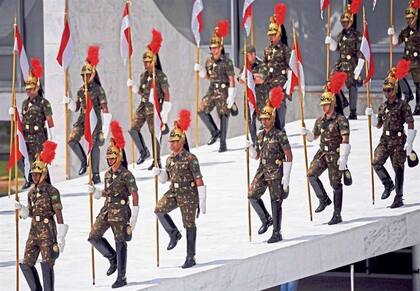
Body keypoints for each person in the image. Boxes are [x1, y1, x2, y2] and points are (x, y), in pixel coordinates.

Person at [87, 120, 139, 288]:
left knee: (120, 241)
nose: (109, 161)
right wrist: (96, 192)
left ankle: (122, 276)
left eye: (112, 158)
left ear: (119, 157)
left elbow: (135, 194)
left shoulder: (126, 174)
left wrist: (134, 218)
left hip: (121, 211)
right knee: (94, 236)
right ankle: (112, 258)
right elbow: (107, 192)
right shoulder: (108, 174)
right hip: (107, 209)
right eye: (108, 158)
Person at [153, 110, 206, 268]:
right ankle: (173, 233)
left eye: (174, 141)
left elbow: (199, 179)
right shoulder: (169, 159)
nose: (171, 144)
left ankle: (191, 256)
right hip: (174, 192)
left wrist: (202, 200)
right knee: (159, 209)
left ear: (181, 142)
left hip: (189, 194)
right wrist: (160, 173)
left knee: (189, 224)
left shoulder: (190, 158)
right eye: (170, 142)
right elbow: (167, 178)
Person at [15, 141, 69, 291]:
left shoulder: (52, 191)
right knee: (26, 263)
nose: (33, 177)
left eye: (36, 174)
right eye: (32, 175)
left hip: (48, 231)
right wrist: (23, 210)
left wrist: (61, 236)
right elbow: (32, 212)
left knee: (47, 263)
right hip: (34, 231)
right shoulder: (31, 192)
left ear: (43, 174)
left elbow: (58, 213)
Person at [301, 72, 351, 225]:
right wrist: (307, 133)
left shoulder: (341, 120)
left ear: (333, 104)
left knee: (335, 184)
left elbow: (345, 138)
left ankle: (337, 214)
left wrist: (343, 157)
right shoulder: (319, 120)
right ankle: (323, 199)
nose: (324, 107)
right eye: (322, 105)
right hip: (323, 152)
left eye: (326, 104)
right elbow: (314, 136)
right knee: (311, 174)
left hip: (335, 154)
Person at [366, 60, 416, 208]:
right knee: (376, 162)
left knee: (398, 168)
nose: (387, 93)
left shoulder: (402, 105)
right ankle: (388, 184)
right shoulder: (383, 106)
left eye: (389, 90)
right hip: (385, 139)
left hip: (398, 140)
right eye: (385, 90)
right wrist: (372, 117)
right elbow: (379, 125)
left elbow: (410, 123)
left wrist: (410, 144)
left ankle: (399, 197)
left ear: (395, 89)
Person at [246, 88, 292, 243]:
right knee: (252, 195)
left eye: (267, 118)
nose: (264, 121)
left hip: (276, 170)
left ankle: (277, 232)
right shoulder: (260, 135)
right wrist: (250, 148)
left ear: (272, 119)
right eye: (262, 119)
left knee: (276, 200)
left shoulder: (279, 135)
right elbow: (257, 155)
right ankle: (266, 219)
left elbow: (289, 155)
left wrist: (286, 177)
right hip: (262, 169)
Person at [64, 46, 111, 184]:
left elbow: (105, 108)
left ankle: (95, 175)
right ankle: (84, 161)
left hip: (95, 120)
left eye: (87, 75)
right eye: (83, 75)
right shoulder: (80, 90)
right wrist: (69, 101)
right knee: (72, 140)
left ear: (93, 75)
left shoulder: (98, 89)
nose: (85, 77)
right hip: (82, 119)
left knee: (95, 146)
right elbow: (77, 107)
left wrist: (106, 128)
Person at [9, 58, 56, 189]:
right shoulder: (24, 103)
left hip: (39, 138)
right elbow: (22, 121)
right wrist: (13, 115)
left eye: (31, 89)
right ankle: (28, 179)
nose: (29, 91)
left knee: (40, 163)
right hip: (26, 138)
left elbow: (50, 121)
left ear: (37, 87)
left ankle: (48, 185)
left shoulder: (44, 103)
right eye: (27, 89)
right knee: (20, 160)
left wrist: (51, 140)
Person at [128, 31, 172, 168]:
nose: (146, 64)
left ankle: (157, 161)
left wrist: (164, 113)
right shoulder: (143, 76)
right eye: (144, 62)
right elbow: (142, 91)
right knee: (133, 129)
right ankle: (143, 151)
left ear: (154, 61)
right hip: (143, 105)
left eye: (148, 62)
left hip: (155, 107)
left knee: (155, 135)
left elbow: (167, 94)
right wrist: (135, 88)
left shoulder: (160, 76)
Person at [195, 19, 236, 152]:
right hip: (212, 89)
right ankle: (214, 132)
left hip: (224, 90)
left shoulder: (227, 61)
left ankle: (223, 144)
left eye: (216, 48)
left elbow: (231, 78)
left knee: (223, 114)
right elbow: (208, 76)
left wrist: (231, 94)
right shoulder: (208, 61)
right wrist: (201, 72)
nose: (214, 50)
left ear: (221, 48)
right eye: (212, 48)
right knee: (201, 110)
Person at [325, 3, 362, 120]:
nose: (345, 24)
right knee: (331, 81)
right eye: (343, 22)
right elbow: (338, 49)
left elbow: (361, 52)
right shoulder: (341, 35)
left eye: (346, 22)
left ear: (351, 22)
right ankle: (343, 101)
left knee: (352, 86)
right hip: (341, 63)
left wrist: (359, 66)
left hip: (351, 64)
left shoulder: (356, 35)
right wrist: (331, 42)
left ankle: (353, 111)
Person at [389, 0, 420, 114]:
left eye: (411, 18)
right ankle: (408, 94)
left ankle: (418, 106)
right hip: (407, 60)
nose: (409, 21)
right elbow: (397, 42)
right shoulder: (406, 31)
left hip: (418, 60)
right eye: (407, 19)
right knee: (398, 75)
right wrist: (392, 35)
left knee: (418, 84)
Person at [264, 3, 291, 130]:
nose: (271, 37)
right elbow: (264, 65)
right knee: (268, 103)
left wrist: (289, 84)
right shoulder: (267, 50)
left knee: (280, 104)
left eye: (273, 35)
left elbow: (290, 66)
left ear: (279, 35)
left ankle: (281, 126)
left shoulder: (285, 49)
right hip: (269, 82)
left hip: (281, 82)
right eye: (269, 35)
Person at [239, 45, 269, 144]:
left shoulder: (262, 65)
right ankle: (255, 142)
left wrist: (251, 77)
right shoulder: (245, 66)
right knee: (250, 120)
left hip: (260, 97)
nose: (245, 57)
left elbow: (261, 79)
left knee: (264, 120)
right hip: (249, 97)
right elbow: (241, 79)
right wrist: (250, 78)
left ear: (253, 54)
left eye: (247, 55)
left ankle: (266, 141)